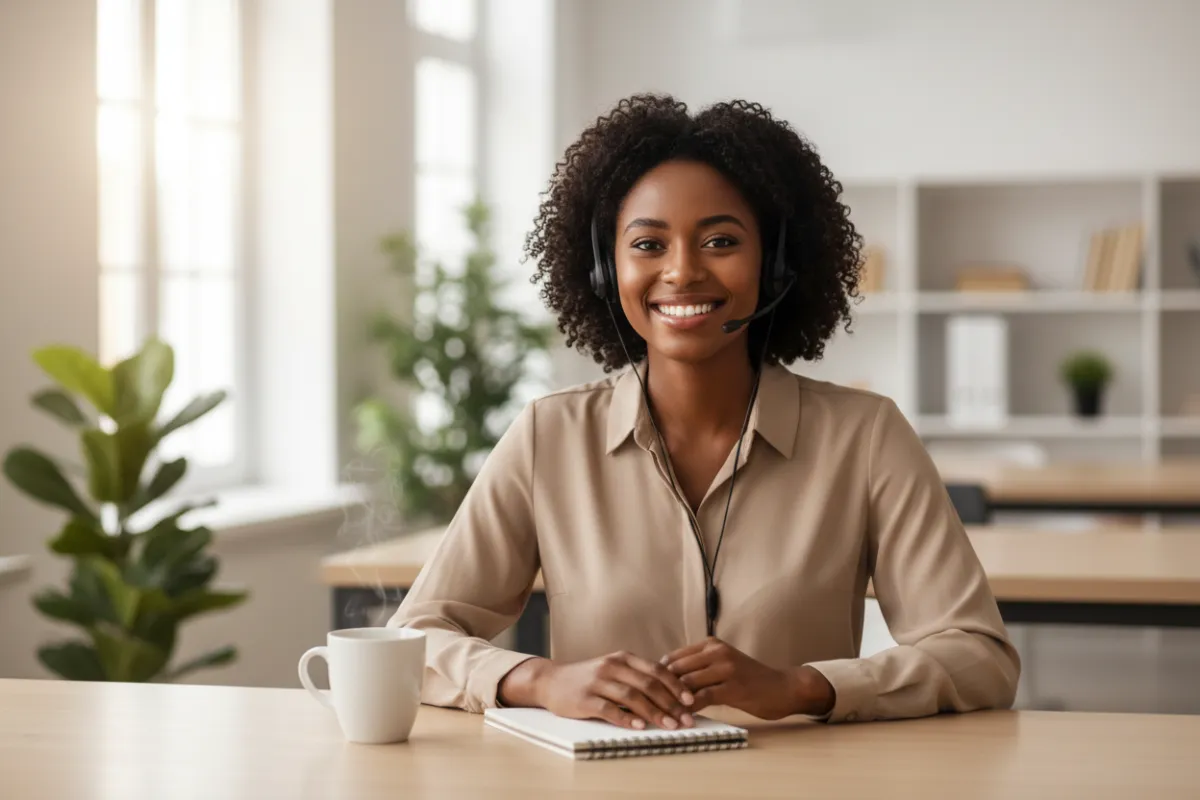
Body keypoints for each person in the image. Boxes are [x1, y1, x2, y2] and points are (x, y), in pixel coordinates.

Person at [388, 93, 1020, 729]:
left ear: (773, 265)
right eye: (648, 244)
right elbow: (413, 637)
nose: (683, 271)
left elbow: (978, 657)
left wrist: (805, 688)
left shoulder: (866, 437)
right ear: (608, 271)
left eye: (720, 241)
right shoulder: (549, 437)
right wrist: (537, 680)